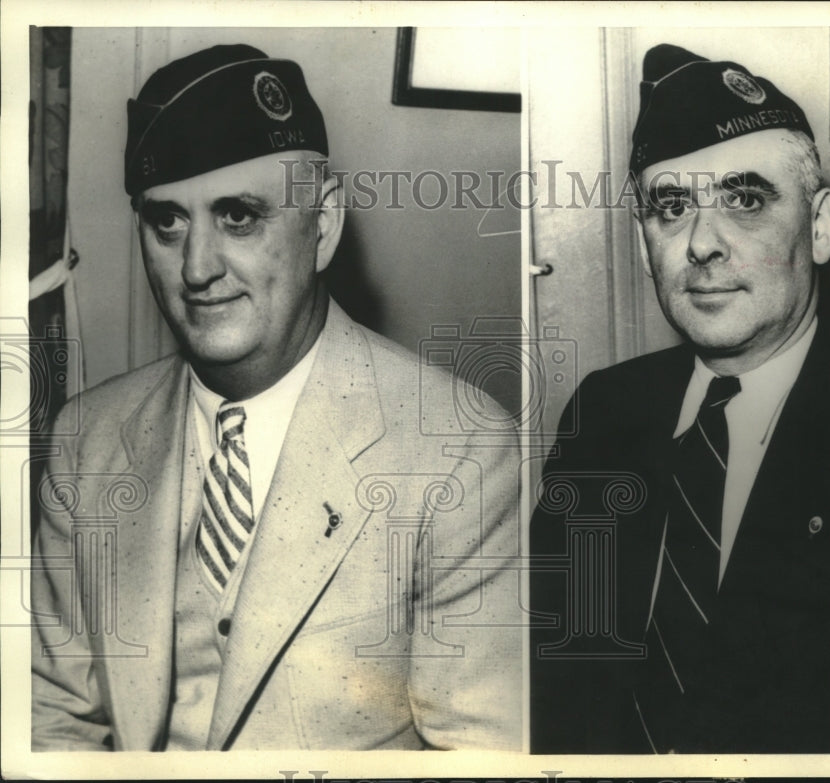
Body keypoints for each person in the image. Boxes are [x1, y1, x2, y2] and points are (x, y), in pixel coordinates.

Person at [31, 44, 521, 751]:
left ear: (322, 225)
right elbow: (51, 718)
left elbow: (480, 757)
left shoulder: (463, 450)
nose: (196, 267)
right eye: (167, 221)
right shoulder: (87, 439)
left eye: (238, 216)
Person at [530, 43, 830, 754]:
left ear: (818, 227)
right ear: (646, 248)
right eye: (671, 208)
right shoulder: (604, 412)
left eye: (745, 199)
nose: (702, 243)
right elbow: (551, 679)